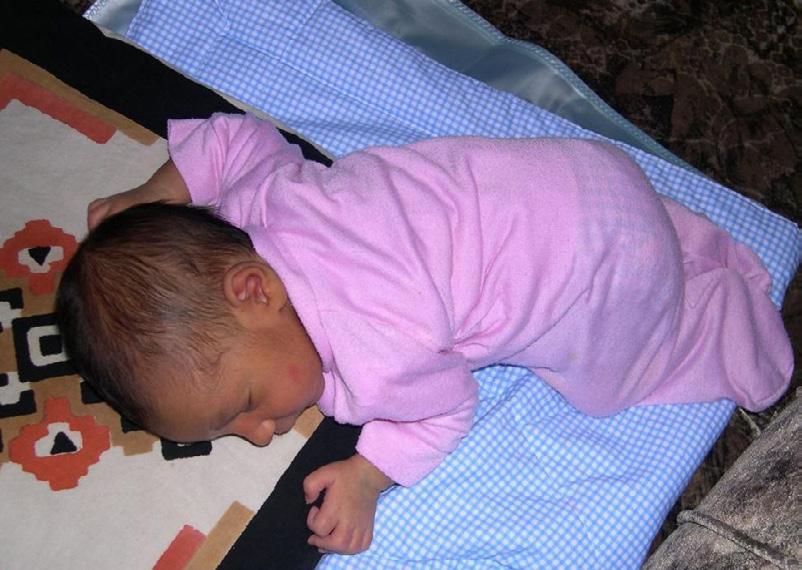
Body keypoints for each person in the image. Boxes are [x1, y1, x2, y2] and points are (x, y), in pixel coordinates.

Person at [57, 113, 793, 555]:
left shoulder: (373, 353)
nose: (257, 434)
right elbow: (233, 140)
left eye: (243, 404)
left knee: (610, 383)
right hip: (586, 173)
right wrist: (147, 196)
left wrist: (368, 476)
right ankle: (674, 239)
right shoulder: (259, 203)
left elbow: (447, 407)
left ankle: (718, 321)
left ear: (255, 292)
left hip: (601, 266)